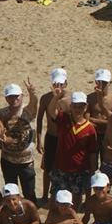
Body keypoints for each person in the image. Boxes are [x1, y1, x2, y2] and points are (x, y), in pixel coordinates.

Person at [47, 91, 97, 209]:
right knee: (55, 198)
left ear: (86, 107)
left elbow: (92, 151)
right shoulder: (63, 118)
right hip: (61, 167)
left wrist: (92, 169)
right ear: (71, 106)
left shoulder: (90, 129)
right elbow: (51, 110)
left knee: (76, 198)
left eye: (81, 106)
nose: (78, 109)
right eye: (75, 106)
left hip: (79, 169)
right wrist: (56, 97)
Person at [0, 80, 39, 203]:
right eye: (10, 96)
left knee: (29, 193)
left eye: (16, 96)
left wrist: (33, 93)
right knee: (11, 194)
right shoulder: (2, 112)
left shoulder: (28, 110)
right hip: (8, 160)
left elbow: (34, 102)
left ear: (21, 96)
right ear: (6, 98)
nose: (14, 99)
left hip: (26, 162)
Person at [36, 68, 68, 202]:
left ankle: (63, 195)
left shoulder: (70, 98)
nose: (58, 87)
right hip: (51, 136)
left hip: (65, 138)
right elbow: (39, 119)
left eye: (61, 84)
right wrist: (39, 139)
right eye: (55, 84)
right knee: (48, 168)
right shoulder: (45, 98)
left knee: (64, 168)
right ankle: (45, 195)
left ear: (66, 83)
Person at [87, 69, 112, 168]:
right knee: (91, 164)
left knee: (107, 165)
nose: (101, 85)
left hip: (108, 135)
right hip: (94, 134)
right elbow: (87, 120)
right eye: (99, 82)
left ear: (110, 83)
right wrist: (106, 122)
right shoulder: (90, 98)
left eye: (104, 82)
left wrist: (95, 121)